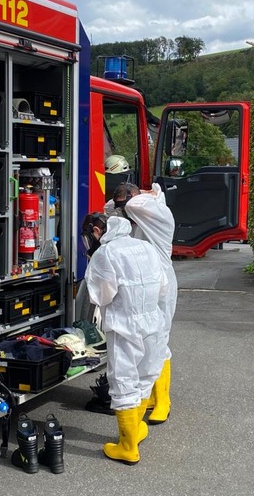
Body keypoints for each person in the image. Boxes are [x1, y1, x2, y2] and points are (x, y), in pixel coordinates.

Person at [82, 212, 167, 465]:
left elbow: (100, 296)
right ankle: (136, 428)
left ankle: (127, 446)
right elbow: (162, 285)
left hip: (124, 325)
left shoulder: (105, 254)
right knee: (145, 376)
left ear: (97, 231)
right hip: (153, 322)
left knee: (123, 381)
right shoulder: (145, 247)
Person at [105, 182, 176, 425]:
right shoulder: (134, 214)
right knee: (145, 344)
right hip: (138, 285)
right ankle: (146, 395)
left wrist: (148, 193)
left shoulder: (159, 215)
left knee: (159, 339)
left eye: (127, 204)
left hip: (160, 284)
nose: (125, 211)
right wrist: (123, 202)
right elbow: (109, 209)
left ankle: (163, 400)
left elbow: (135, 202)